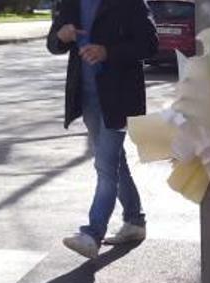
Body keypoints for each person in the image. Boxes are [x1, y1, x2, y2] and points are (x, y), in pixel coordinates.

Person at [48, 0, 158, 259]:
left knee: (105, 166)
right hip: (86, 99)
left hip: (118, 98)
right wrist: (61, 37)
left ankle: (92, 233)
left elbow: (149, 44)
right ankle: (134, 221)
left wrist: (108, 51)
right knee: (114, 162)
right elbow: (53, 43)